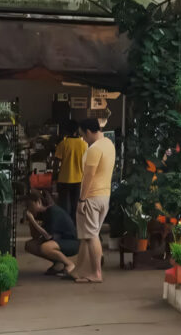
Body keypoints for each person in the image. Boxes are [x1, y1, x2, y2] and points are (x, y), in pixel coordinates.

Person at [69, 117, 115, 284]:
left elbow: (89, 175)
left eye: (83, 135)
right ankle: (78, 270)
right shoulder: (109, 144)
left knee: (92, 235)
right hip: (104, 196)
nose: (83, 138)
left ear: (88, 132)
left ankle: (96, 273)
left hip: (91, 196)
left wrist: (82, 199)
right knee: (86, 235)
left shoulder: (94, 149)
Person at [24, 191, 78, 276]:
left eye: (30, 205)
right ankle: (58, 263)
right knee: (30, 245)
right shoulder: (43, 213)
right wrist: (31, 221)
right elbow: (35, 237)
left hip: (71, 242)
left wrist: (33, 221)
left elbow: (48, 236)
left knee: (45, 247)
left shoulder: (52, 211)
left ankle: (69, 264)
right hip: (58, 240)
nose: (29, 208)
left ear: (38, 202)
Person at [53, 119, 87, 218]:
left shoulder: (63, 144)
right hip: (79, 180)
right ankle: (74, 229)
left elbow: (56, 163)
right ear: (77, 131)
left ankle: (65, 228)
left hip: (64, 180)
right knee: (75, 207)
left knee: (64, 208)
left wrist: (54, 177)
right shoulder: (84, 145)